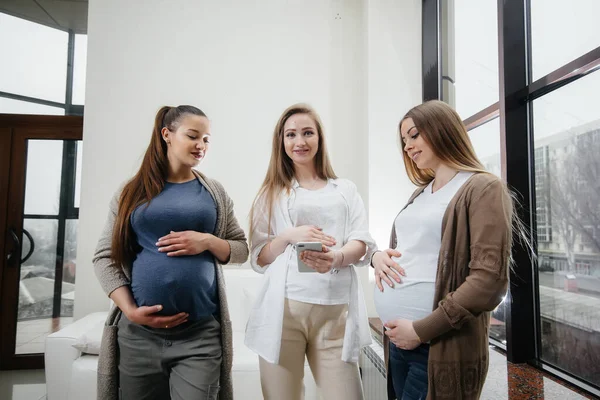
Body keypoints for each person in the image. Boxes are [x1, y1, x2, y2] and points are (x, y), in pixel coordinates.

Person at [93, 105, 249, 400]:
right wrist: (130, 311)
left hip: (200, 337)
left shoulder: (214, 192)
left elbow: (241, 249)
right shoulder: (130, 192)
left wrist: (206, 241)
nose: (200, 145)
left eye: (206, 139)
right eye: (193, 136)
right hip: (139, 337)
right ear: (167, 134)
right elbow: (104, 258)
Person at [372, 100, 514, 400]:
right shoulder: (420, 193)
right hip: (398, 343)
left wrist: (422, 330)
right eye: (404, 140)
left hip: (437, 348)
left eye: (414, 135)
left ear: (441, 129)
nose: (408, 146)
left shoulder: (483, 187)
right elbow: (416, 252)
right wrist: (380, 257)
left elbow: (489, 282)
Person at [245, 104, 377, 400]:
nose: (299, 141)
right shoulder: (271, 193)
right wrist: (289, 236)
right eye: (291, 135)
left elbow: (362, 241)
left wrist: (336, 258)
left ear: (319, 138)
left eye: (307, 133)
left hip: (335, 313)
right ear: (282, 142)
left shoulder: (344, 189)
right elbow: (259, 257)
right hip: (283, 312)